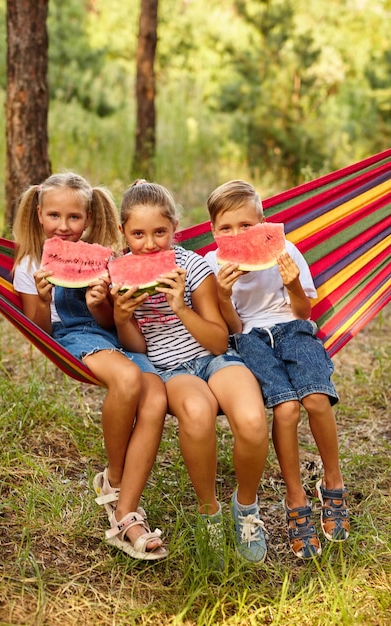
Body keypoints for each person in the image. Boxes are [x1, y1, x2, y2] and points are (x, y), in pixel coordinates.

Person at [107, 180, 269, 566]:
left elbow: (216, 341)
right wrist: (122, 315)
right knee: (196, 413)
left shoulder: (194, 266)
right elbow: (139, 350)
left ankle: (245, 508)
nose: (149, 245)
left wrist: (180, 306)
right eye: (138, 234)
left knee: (251, 419)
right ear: (123, 233)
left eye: (160, 233)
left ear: (175, 228)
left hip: (215, 359)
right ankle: (208, 511)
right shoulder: (119, 273)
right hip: (171, 369)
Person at [12, 172, 168, 560]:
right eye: (53, 216)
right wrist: (44, 297)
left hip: (113, 335)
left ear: (88, 215)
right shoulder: (30, 264)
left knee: (156, 400)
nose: (63, 227)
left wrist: (101, 300)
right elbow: (39, 330)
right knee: (130, 378)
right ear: (38, 212)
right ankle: (115, 481)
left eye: (74, 218)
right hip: (72, 338)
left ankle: (126, 512)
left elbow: (109, 321)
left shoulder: (103, 256)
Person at [205, 179, 350, 560]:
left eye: (247, 226)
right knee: (286, 408)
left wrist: (293, 285)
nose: (237, 236)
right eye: (226, 228)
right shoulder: (210, 264)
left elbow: (304, 312)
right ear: (212, 232)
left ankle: (332, 482)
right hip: (250, 339)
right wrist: (221, 294)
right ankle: (295, 495)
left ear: (264, 224)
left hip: (294, 329)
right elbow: (232, 328)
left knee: (317, 400)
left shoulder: (286, 250)